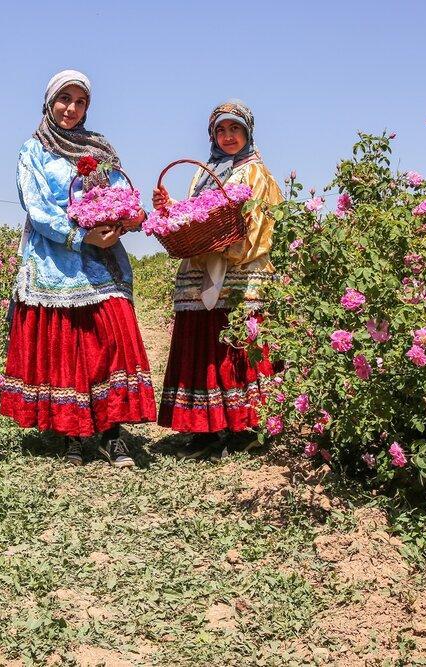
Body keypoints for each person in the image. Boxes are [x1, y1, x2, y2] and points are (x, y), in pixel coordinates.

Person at [0, 69, 156, 468]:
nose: (70, 108)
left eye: (79, 101)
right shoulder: (32, 150)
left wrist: (123, 219)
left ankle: (112, 433)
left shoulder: (99, 149)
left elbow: (121, 191)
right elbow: (36, 207)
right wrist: (80, 235)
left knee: (112, 337)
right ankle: (72, 434)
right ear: (48, 103)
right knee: (67, 345)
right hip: (56, 260)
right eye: (63, 99)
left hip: (102, 258)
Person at [152, 100, 283, 460]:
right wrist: (171, 209)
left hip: (241, 273)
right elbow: (199, 214)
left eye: (235, 129)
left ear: (248, 133)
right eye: (221, 130)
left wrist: (226, 247)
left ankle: (242, 426)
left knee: (233, 346)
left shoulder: (257, 174)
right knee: (204, 346)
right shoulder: (205, 173)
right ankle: (204, 426)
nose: (228, 136)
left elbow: (259, 226)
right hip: (200, 270)